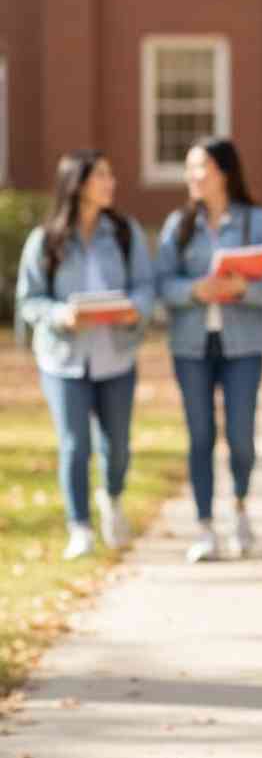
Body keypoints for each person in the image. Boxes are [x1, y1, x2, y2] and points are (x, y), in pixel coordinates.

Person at [155, 137, 262, 563]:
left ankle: (241, 508)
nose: (192, 176)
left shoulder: (259, 223)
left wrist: (242, 288)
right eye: (189, 167)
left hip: (243, 346)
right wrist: (195, 289)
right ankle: (204, 526)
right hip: (191, 346)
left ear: (224, 172)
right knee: (199, 436)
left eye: (201, 167)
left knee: (240, 436)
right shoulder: (178, 225)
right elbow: (162, 287)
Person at [16, 150, 154, 560]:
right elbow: (29, 301)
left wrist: (135, 308)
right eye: (101, 177)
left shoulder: (125, 233)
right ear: (77, 185)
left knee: (119, 446)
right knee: (75, 445)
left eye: (110, 176)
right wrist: (62, 315)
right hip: (63, 361)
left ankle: (110, 498)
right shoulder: (46, 241)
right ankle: (80, 528)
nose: (111, 183)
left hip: (116, 357)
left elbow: (145, 287)